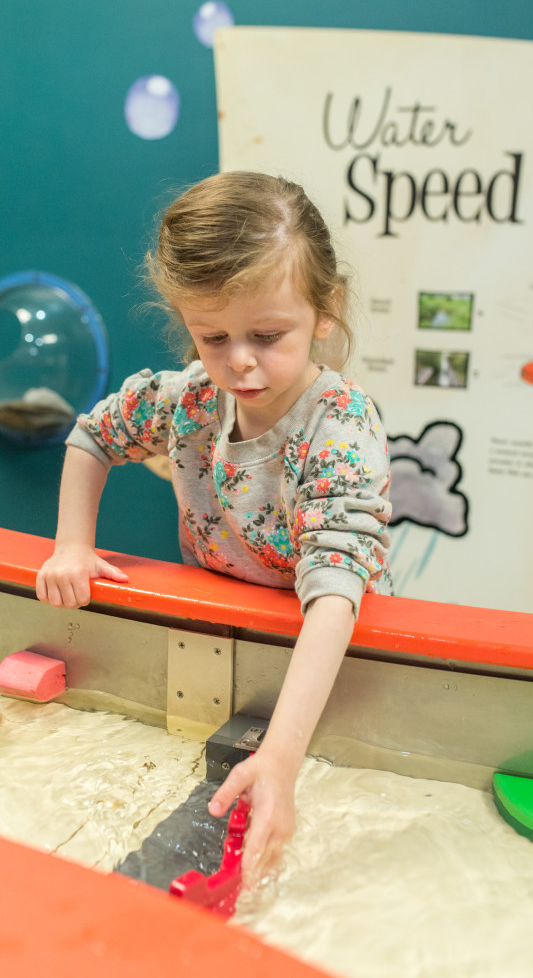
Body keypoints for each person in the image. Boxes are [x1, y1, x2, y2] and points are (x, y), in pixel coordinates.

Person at [36, 171, 392, 886]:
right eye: (212, 336)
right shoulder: (191, 399)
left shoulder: (340, 430)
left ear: (327, 309)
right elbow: (92, 435)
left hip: (332, 650)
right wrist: (71, 544)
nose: (239, 361)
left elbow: (332, 593)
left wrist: (283, 759)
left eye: (267, 334)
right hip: (224, 625)